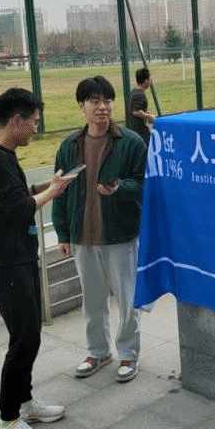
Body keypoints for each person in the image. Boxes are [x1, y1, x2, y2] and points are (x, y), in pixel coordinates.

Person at [0, 87, 77, 429]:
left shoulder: (1, 157)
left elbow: (16, 196)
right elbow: (20, 208)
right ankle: (8, 419)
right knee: (24, 339)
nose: (36, 129)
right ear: (16, 120)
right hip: (6, 266)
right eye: (34, 122)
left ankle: (25, 402)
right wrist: (53, 192)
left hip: (19, 260)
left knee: (29, 335)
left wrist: (46, 185)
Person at [52, 76, 148, 384]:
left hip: (120, 235)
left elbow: (144, 185)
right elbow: (60, 191)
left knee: (127, 300)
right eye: (95, 101)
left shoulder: (131, 143)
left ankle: (128, 354)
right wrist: (63, 234)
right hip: (83, 237)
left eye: (108, 101)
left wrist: (120, 188)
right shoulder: (69, 146)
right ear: (81, 106)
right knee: (92, 301)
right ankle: (97, 351)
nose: (103, 107)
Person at [126, 67, 156, 147]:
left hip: (133, 131)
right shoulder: (139, 94)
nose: (150, 81)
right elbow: (136, 112)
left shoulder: (133, 92)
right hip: (140, 133)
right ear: (146, 80)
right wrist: (149, 116)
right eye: (149, 79)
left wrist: (146, 114)